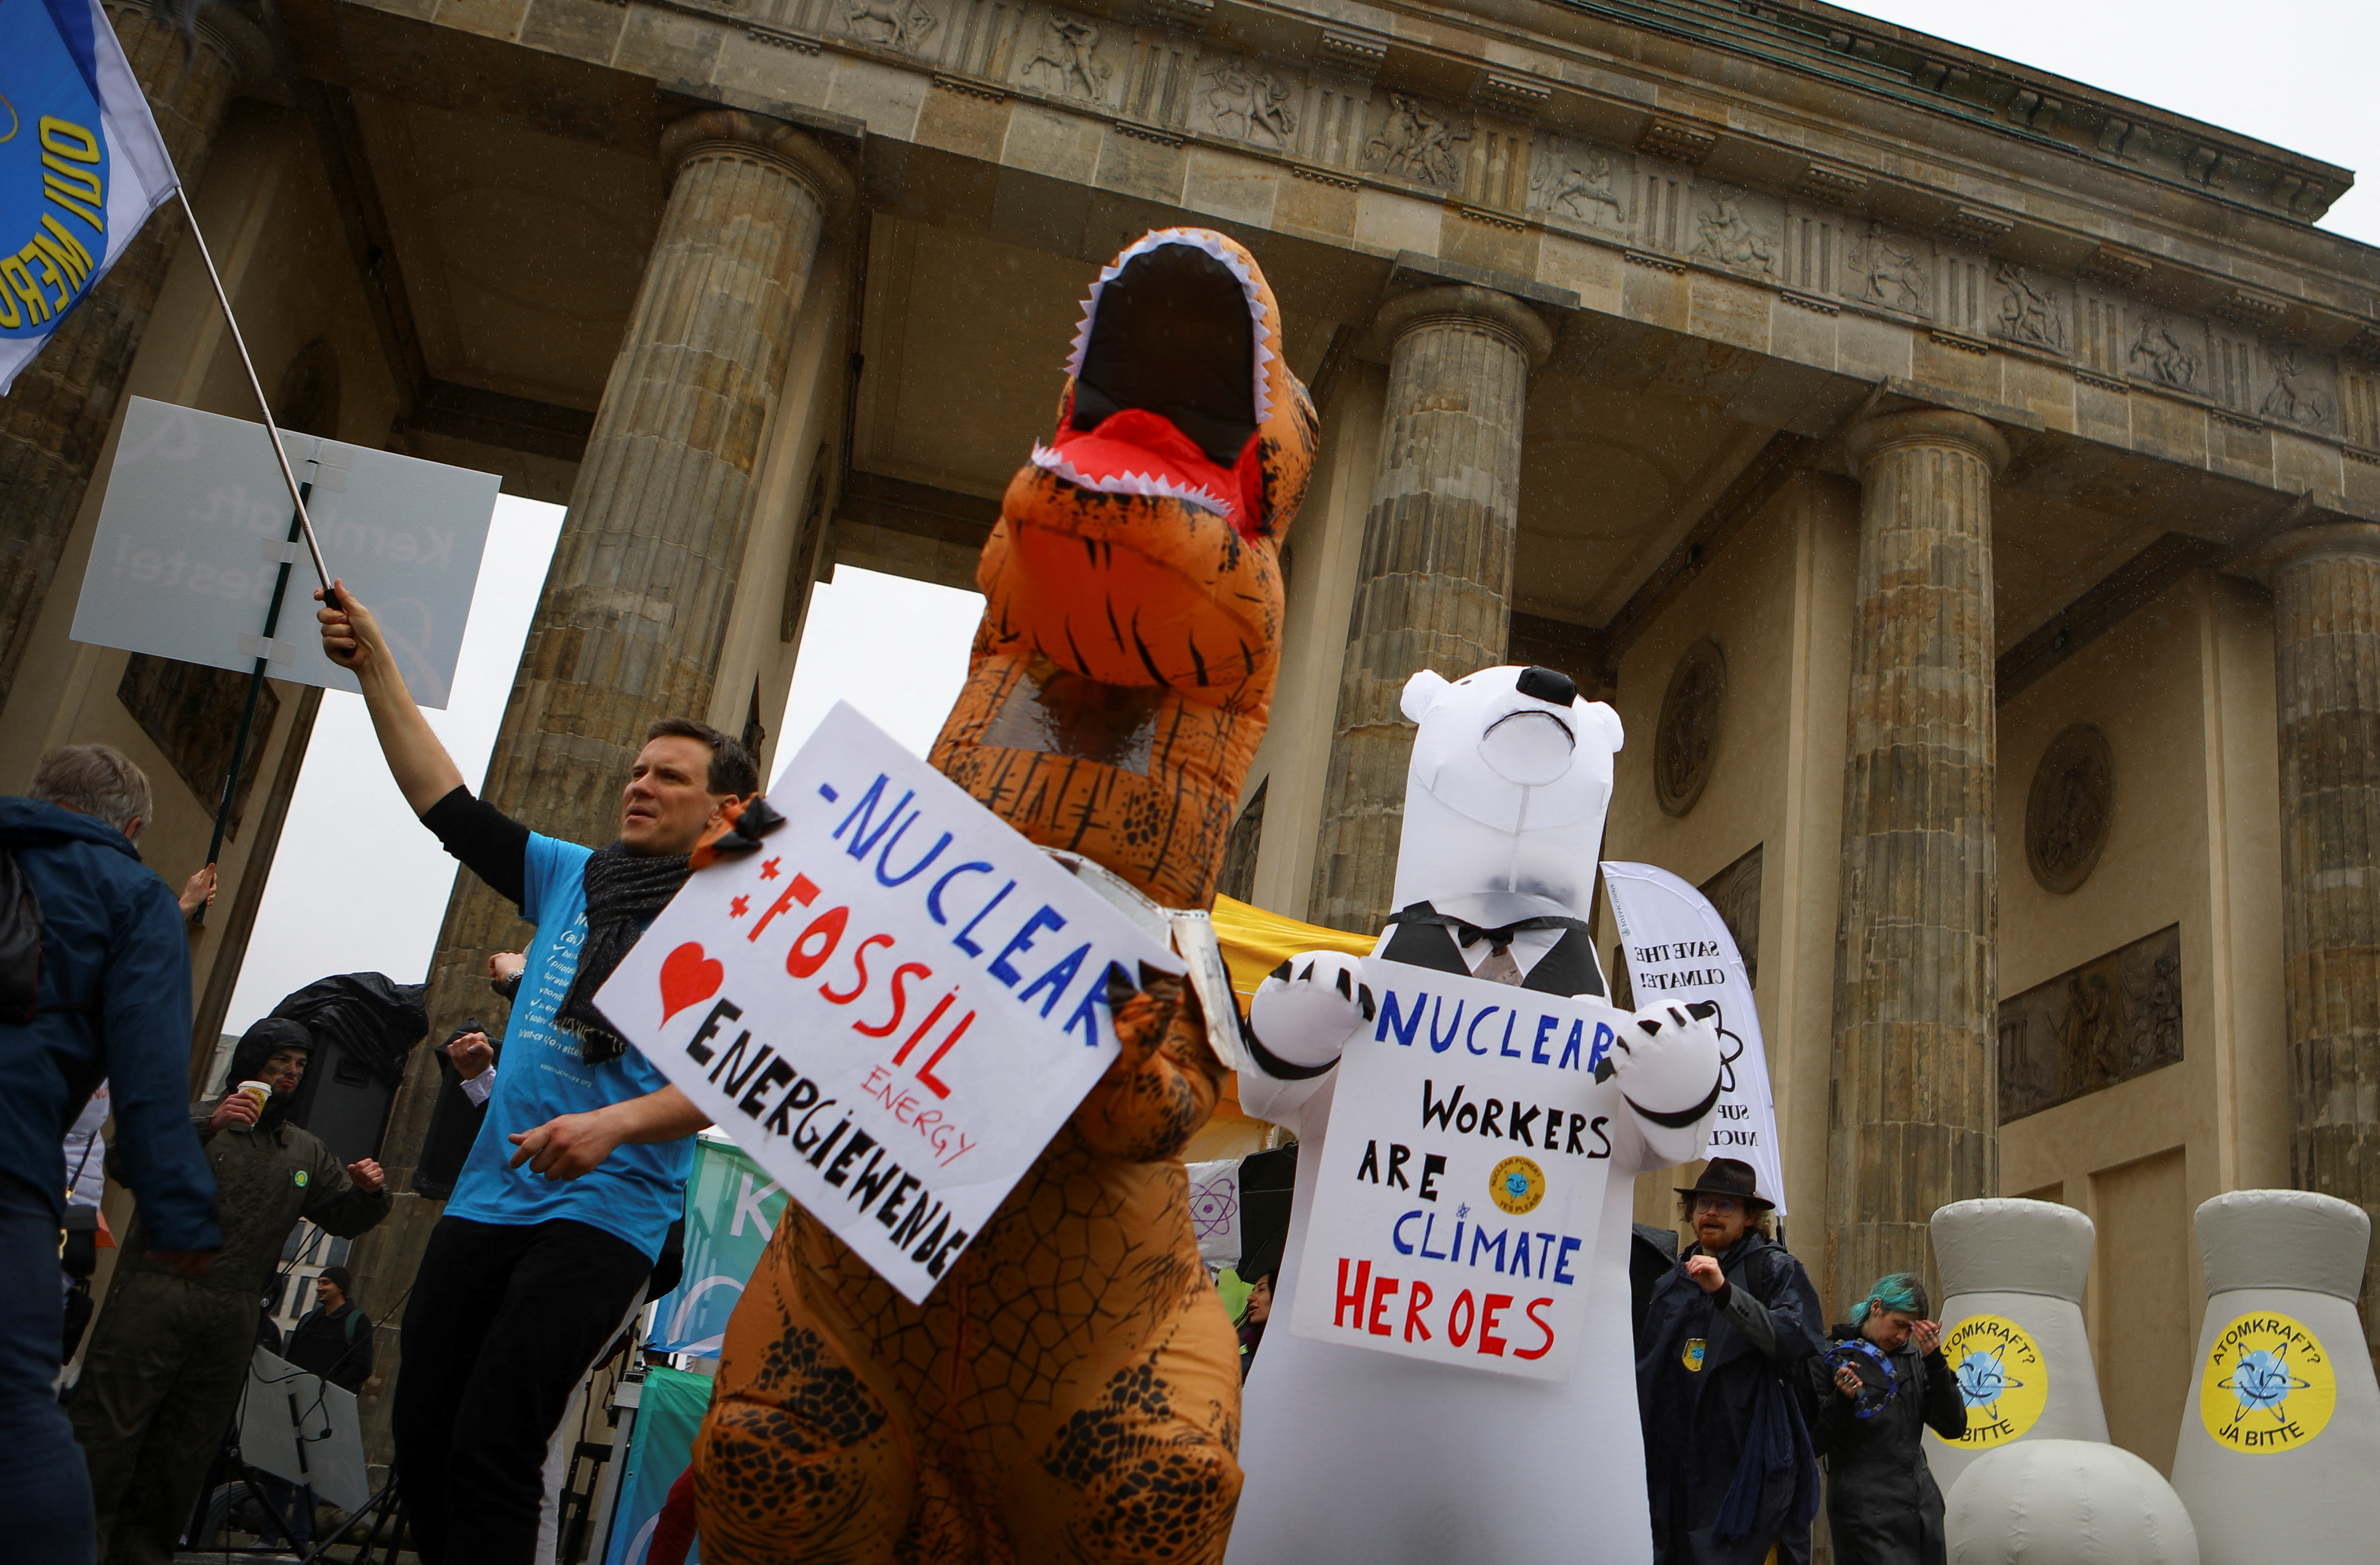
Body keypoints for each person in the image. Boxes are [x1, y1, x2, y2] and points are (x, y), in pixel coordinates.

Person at [317, 581, 748, 1564]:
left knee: (495, 1443)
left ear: (727, 809)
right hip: (486, 1201)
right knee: (422, 1439)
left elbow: (730, 1087)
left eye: (668, 777)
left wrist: (610, 1128)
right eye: (636, 770)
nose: (638, 785)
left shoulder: (740, 931)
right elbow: (448, 805)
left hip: (606, 1218)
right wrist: (377, 664)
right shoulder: (570, 875)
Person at [2, 745, 222, 1565]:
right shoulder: (132, 896)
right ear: (129, 828)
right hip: (8, 1162)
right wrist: (181, 1211)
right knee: (20, 1419)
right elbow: (150, 1072)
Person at [69, 1017, 390, 1565]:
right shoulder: (196, 1116)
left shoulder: (304, 1151)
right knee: (109, 1428)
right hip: (158, 1291)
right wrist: (208, 1125)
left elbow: (344, 1217)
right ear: (251, 1068)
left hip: (235, 1309)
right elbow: (125, 1158)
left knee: (188, 1444)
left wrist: (367, 1193)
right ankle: (73, 1544)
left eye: (299, 1065)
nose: (289, 1074)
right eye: (278, 1063)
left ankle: (144, 1554)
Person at [1638, 1158, 1827, 1565]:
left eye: (1726, 1206)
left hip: (1746, 1474)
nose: (1711, 1212)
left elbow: (1794, 1338)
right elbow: (1645, 1378)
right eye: (1704, 1202)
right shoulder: (1670, 1282)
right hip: (1677, 1478)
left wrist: (1725, 1294)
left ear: (1748, 1218)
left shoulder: (1776, 1270)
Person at [1808, 1275, 1964, 1565]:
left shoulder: (1915, 1360)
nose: (1903, 1337)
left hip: (1920, 1508)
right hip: (1865, 1511)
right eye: (1900, 1325)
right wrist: (1842, 1401)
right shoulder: (1828, 1356)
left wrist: (1936, 1362)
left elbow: (1954, 1426)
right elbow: (1812, 1443)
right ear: (1876, 1307)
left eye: (1911, 1330)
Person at [286, 1265, 374, 1391]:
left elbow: (362, 1368)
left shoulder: (358, 1322)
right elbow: (290, 1358)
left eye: (326, 1283)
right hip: (297, 1393)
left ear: (341, 1287)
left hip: (330, 1401)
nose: (319, 1288)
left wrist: (327, 1387)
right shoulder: (308, 1319)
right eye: (319, 1283)